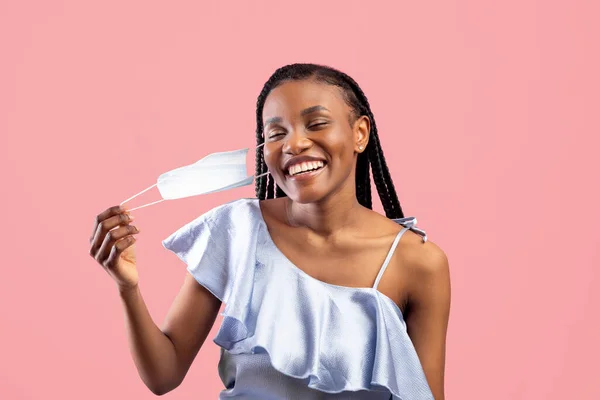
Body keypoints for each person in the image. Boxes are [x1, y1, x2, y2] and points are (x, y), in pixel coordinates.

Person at [89, 63, 451, 399]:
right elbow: (164, 375)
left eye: (316, 123)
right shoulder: (236, 231)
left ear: (360, 133)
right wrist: (128, 288)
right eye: (276, 133)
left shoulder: (417, 262)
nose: (293, 144)